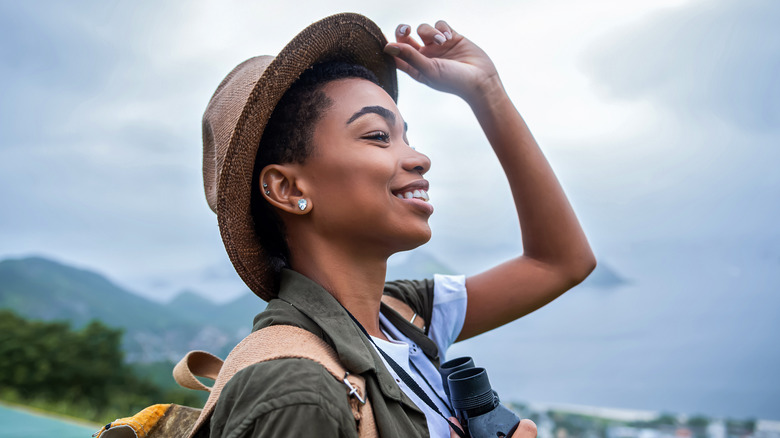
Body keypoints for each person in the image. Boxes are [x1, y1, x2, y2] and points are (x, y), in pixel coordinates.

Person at [200, 13, 595, 438]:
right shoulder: (299, 392)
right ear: (286, 187)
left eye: (406, 136)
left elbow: (560, 262)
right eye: (377, 136)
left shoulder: (399, 316)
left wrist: (486, 91)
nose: (419, 158)